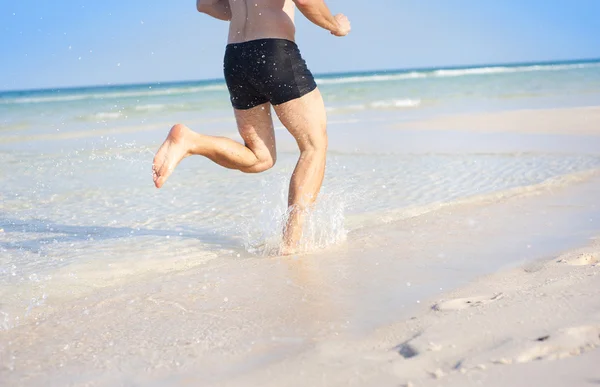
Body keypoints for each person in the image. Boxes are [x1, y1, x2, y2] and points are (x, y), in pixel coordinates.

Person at [152, 0, 351, 255]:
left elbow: (204, 4)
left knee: (261, 157)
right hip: (274, 51)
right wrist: (335, 25)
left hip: (236, 57)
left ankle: (191, 141)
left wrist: (240, 10)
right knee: (314, 146)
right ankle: (290, 244)